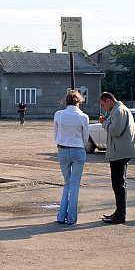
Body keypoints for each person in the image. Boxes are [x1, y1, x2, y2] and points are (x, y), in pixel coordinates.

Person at [98, 92, 135, 224]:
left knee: (118, 184)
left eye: (103, 104)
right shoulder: (118, 110)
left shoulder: (119, 111)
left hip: (121, 152)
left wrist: (104, 123)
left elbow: (115, 131)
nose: (103, 108)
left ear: (109, 101)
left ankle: (120, 215)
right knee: (118, 184)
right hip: (120, 151)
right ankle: (119, 212)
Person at [54, 90, 89, 225]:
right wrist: (80, 145)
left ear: (66, 101)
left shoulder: (58, 115)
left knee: (67, 183)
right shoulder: (83, 117)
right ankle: (72, 218)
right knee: (74, 184)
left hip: (62, 149)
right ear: (79, 102)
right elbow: (85, 137)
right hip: (78, 149)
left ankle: (61, 216)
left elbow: (55, 134)